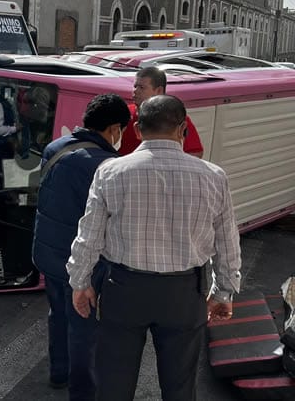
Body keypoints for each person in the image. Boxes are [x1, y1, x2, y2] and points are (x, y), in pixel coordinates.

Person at [67, 95, 241, 401]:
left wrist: (80, 282)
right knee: (179, 386)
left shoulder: (110, 171)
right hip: (185, 293)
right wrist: (223, 291)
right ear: (182, 129)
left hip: (124, 289)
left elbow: (89, 235)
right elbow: (226, 241)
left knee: (114, 384)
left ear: (137, 127)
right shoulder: (213, 176)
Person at [32, 93, 130, 399]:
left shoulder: (55, 148)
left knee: (57, 314)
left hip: (47, 251)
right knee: (84, 329)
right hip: (81, 261)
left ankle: (58, 373)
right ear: (115, 129)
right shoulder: (108, 166)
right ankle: (82, 392)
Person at [120, 66, 203, 158]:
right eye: (135, 86)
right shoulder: (123, 113)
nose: (135, 91)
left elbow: (195, 153)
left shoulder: (175, 117)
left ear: (159, 90)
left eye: (141, 87)